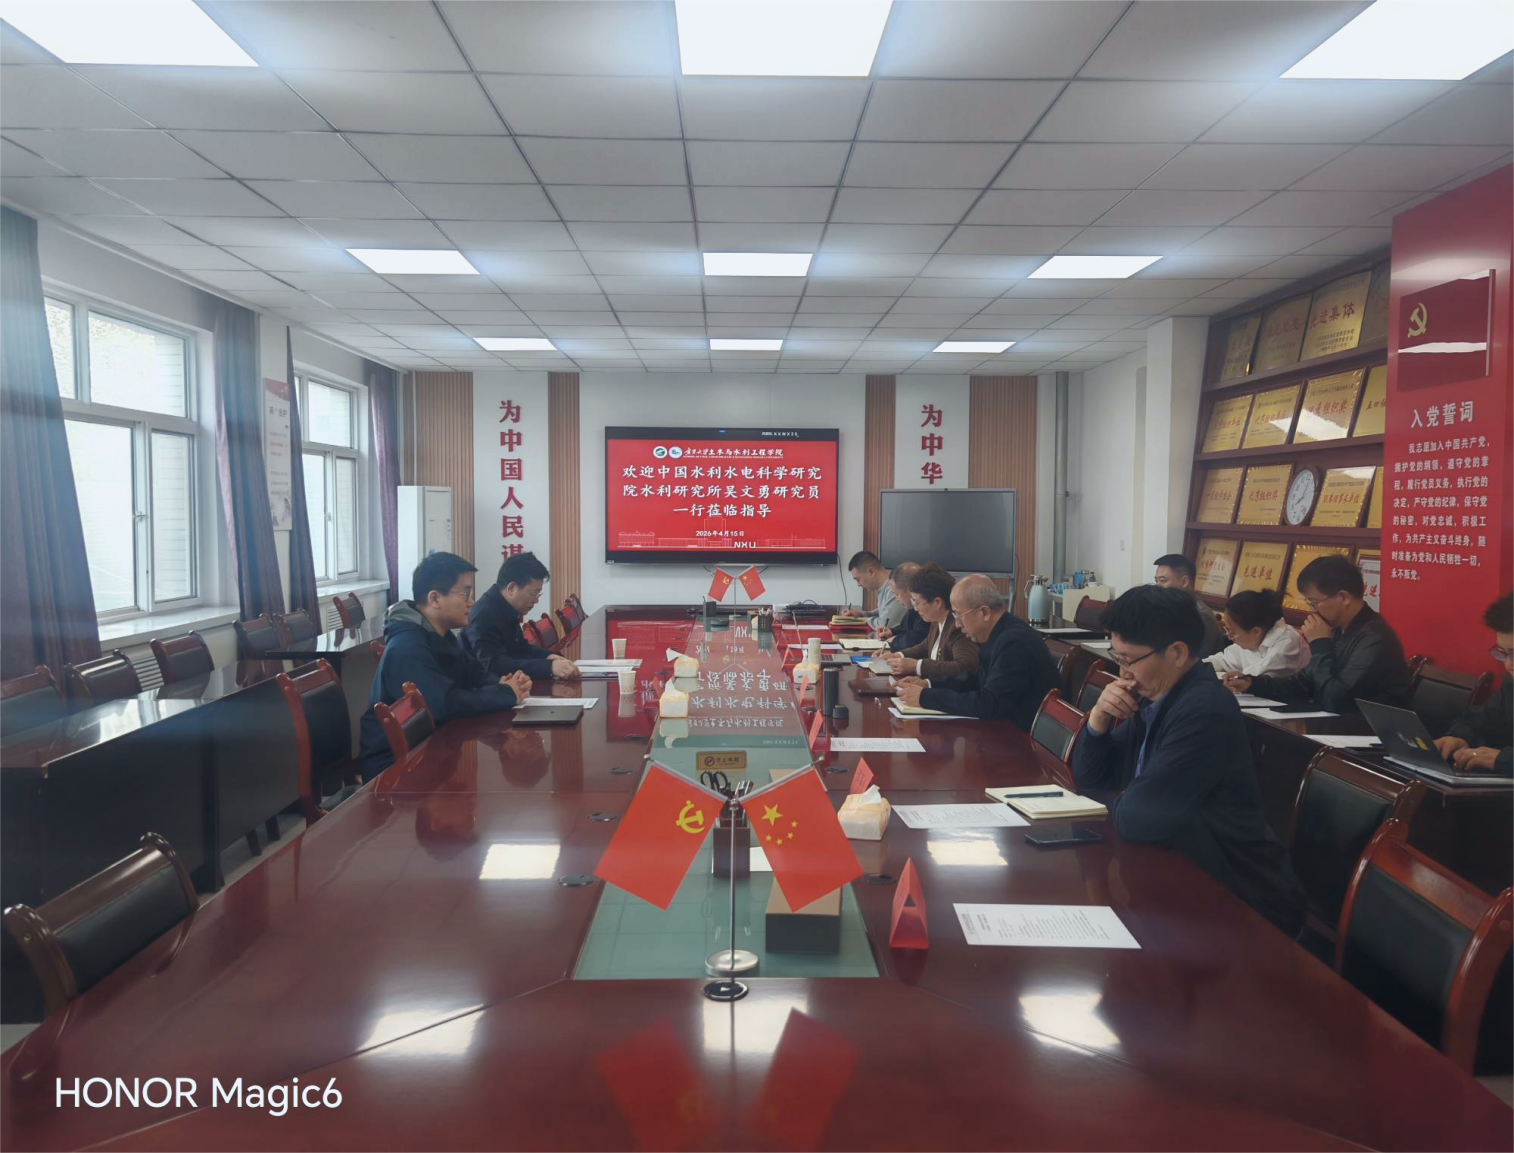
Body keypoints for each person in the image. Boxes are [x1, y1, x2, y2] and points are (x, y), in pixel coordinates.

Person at [1074, 586, 1305, 935]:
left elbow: (1138, 819)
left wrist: (1120, 798)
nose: (1123, 674)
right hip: (1177, 876)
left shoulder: (1204, 711)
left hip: (1238, 901)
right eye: (1116, 657)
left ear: (1178, 653)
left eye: (1128, 660)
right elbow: (1090, 781)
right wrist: (1098, 719)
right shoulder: (1155, 697)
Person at [358, 552, 532, 782]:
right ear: (435, 599)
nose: (472, 602)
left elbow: (474, 674)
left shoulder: (440, 634)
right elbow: (445, 704)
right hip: (395, 769)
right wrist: (505, 693)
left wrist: (506, 684)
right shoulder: (408, 647)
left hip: (431, 750)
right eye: (465, 594)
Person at [1225, 555, 1412, 714]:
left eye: (1314, 603)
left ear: (1343, 597)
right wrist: (1252, 683)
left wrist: (1320, 644)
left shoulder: (1375, 638)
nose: (1312, 611)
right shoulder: (1338, 629)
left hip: (1367, 732)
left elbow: (1336, 700)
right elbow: (1302, 684)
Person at [894, 574, 1056, 730]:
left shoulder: (1015, 643)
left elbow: (989, 704)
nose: (957, 624)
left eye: (959, 615)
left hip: (1021, 737)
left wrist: (926, 697)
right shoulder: (998, 633)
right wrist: (929, 685)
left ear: (984, 612)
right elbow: (974, 681)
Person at [1434, 591, 1514, 775]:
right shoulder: (1511, 685)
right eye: (1503, 653)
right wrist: (1459, 738)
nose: (1508, 664)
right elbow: (1478, 722)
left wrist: (1504, 759)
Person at [464, 551, 578, 681]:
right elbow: (495, 666)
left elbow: (521, 649)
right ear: (512, 588)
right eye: (534, 593)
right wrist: (549, 667)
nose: (536, 600)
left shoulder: (505, 606)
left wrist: (549, 657)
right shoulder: (484, 615)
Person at [885, 563, 979, 681]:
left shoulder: (958, 626)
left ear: (937, 602)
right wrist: (897, 656)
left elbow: (964, 667)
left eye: (917, 603)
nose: (916, 608)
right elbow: (924, 646)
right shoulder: (936, 621)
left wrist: (917, 666)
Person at [1204, 588, 1311, 679]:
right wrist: (1196, 667)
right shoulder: (1251, 638)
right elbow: (1223, 660)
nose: (1229, 637)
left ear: (1256, 631)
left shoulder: (1286, 644)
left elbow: (1250, 680)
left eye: (1232, 632)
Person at [1152, 553, 1227, 658]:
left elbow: (1194, 660)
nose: (1157, 587)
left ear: (1184, 582)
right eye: (1156, 581)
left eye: (1163, 581)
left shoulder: (1202, 615)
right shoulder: (1168, 608)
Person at [844, 549, 907, 630]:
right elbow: (883, 612)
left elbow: (885, 625)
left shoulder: (894, 589)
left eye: (858, 579)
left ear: (871, 572)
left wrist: (862, 620)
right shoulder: (884, 588)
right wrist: (861, 615)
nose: (858, 584)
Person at [876, 561, 927, 651]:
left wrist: (894, 641)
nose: (896, 599)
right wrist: (892, 632)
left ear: (909, 590)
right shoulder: (913, 609)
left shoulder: (926, 607)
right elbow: (910, 631)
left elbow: (916, 638)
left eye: (897, 594)